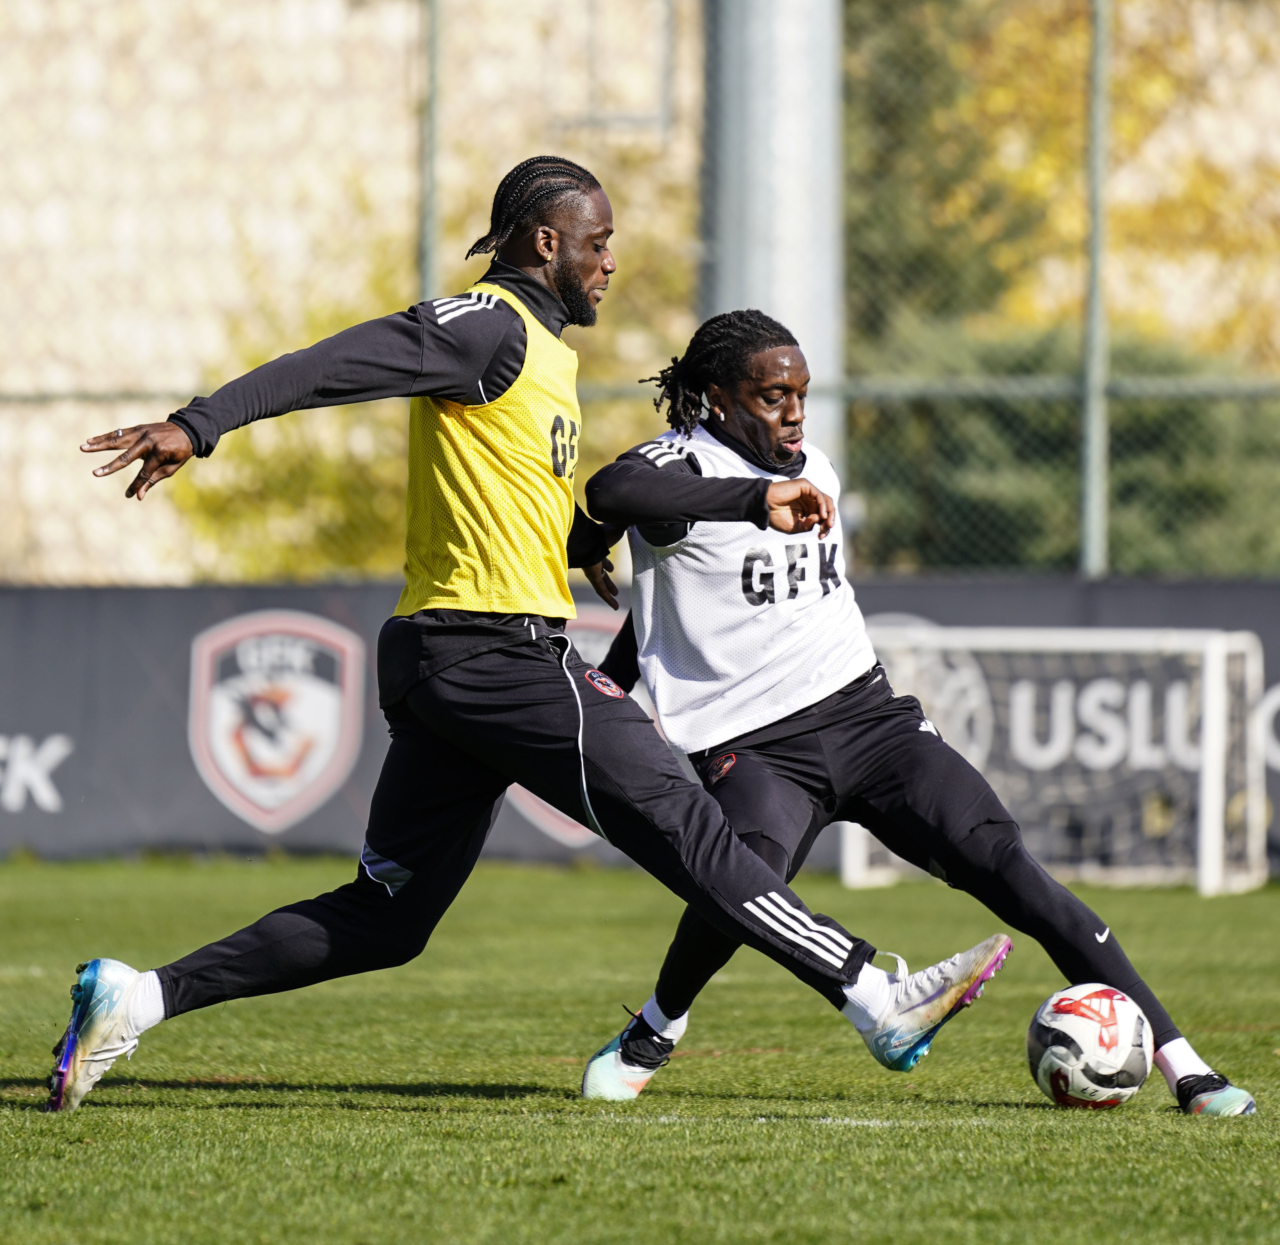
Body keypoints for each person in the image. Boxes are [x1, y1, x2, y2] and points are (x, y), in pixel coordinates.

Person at [48, 159, 1005, 1114]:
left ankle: (135, 998)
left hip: (450, 665)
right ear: (545, 242)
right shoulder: (489, 325)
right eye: (598, 243)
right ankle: (876, 999)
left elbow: (515, 487)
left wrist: (581, 541)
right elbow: (338, 362)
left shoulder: (543, 352)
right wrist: (200, 424)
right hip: (495, 653)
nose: (610, 262)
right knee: (690, 825)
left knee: (389, 919)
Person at [578, 308, 1256, 1119]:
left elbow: (696, 598)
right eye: (770, 397)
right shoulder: (683, 470)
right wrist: (754, 501)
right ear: (716, 399)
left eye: (800, 393)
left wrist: (633, 656)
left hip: (871, 723)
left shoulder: (812, 464)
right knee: (744, 885)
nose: (793, 413)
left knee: (1013, 871)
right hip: (753, 748)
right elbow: (613, 490)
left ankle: (1185, 1065)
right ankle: (657, 1026)